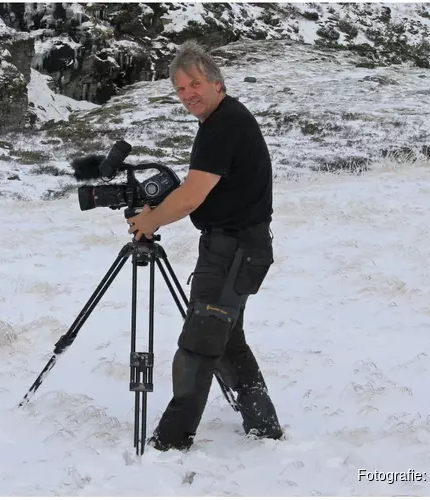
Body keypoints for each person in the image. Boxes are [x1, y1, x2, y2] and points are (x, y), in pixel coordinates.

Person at [126, 40, 283, 451]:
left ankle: (171, 441)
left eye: (194, 84)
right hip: (238, 249)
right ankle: (263, 426)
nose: (188, 94)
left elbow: (193, 195)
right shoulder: (223, 121)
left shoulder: (223, 125)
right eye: (180, 89)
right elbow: (207, 191)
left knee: (198, 344)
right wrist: (157, 208)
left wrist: (151, 220)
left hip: (232, 252)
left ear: (216, 82)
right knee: (226, 339)